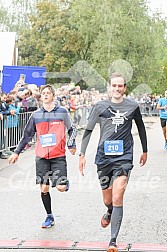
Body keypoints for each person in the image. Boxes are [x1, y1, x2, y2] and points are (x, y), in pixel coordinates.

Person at [79, 73, 147, 252]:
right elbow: (88, 130)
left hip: (123, 158)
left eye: (120, 86)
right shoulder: (100, 106)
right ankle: (109, 211)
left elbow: (140, 128)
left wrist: (145, 150)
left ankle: (113, 240)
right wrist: (82, 154)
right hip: (103, 157)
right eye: (114, 86)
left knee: (118, 197)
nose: (117, 89)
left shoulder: (132, 106)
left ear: (125, 88)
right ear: (110, 87)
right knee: (107, 199)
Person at [9, 84, 77, 228]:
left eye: (48, 93)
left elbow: (72, 129)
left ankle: (65, 183)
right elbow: (27, 136)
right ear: (41, 96)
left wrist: (71, 145)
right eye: (43, 93)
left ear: (53, 96)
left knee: (60, 187)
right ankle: (49, 216)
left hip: (58, 155)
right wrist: (16, 152)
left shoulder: (62, 112)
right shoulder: (36, 115)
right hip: (41, 156)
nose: (45, 95)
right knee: (44, 188)